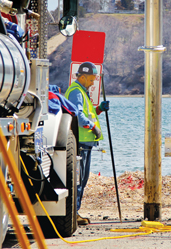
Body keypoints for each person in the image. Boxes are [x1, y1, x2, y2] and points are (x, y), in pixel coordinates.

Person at [64, 62, 110, 226]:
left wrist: (99, 110)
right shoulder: (76, 92)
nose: (92, 83)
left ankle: (74, 211)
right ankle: (73, 213)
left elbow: (87, 112)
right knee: (79, 179)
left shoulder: (82, 92)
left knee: (82, 179)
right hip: (81, 142)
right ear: (82, 77)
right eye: (91, 80)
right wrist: (93, 127)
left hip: (86, 143)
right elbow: (79, 116)